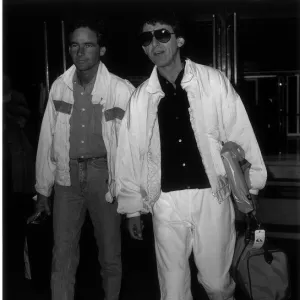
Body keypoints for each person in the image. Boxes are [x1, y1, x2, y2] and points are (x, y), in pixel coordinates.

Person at [115, 12, 267, 300]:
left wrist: (252, 185)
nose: (155, 44)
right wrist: (132, 208)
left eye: (162, 34)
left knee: (218, 285)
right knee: (172, 290)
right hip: (165, 201)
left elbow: (240, 133)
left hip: (212, 195)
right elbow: (129, 155)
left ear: (179, 39)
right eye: (147, 39)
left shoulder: (212, 81)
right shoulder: (140, 98)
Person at [34, 19, 135, 300]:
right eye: (75, 45)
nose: (80, 51)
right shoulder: (59, 87)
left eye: (88, 45)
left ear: (101, 50)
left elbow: (132, 147)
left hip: (104, 178)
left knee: (110, 255)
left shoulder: (120, 90)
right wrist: (43, 190)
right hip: (66, 178)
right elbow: (46, 141)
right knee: (62, 254)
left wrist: (132, 196)